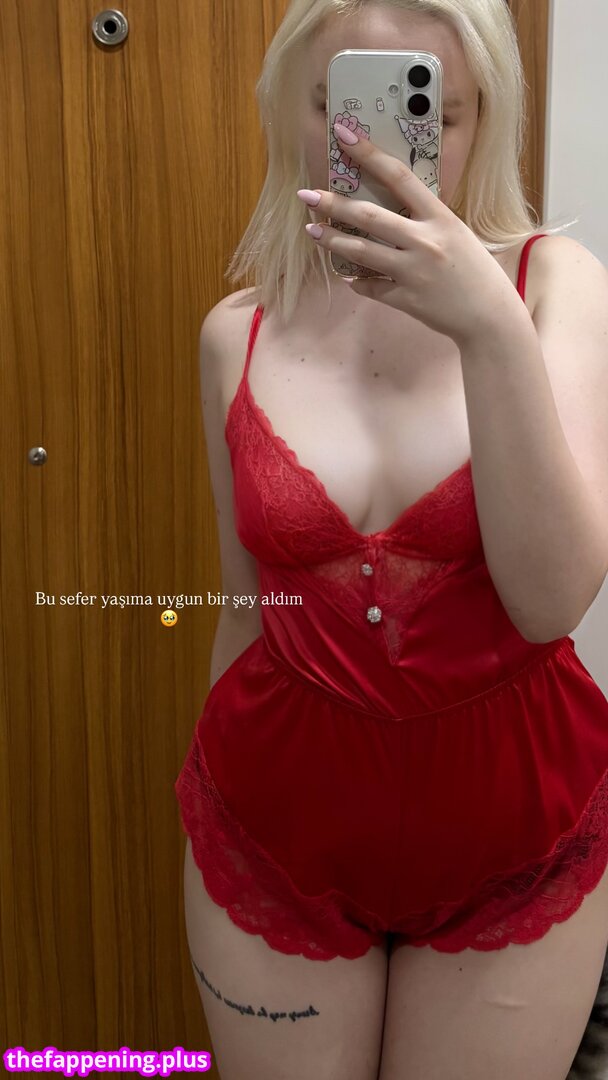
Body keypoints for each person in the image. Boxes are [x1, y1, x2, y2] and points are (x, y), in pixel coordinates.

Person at [175, 2, 608, 1077]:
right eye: (341, 109)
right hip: (274, 824)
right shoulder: (236, 332)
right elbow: (246, 606)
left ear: (482, 120)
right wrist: (215, 797)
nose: (374, 147)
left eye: (430, 114)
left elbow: (549, 601)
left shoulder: (553, 289)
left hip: (514, 832)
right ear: (294, 107)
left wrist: (486, 324)